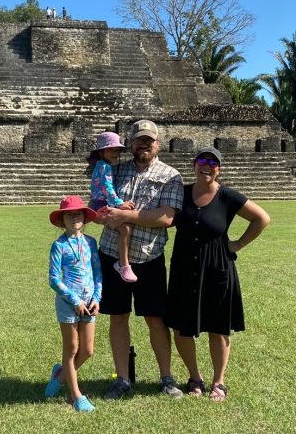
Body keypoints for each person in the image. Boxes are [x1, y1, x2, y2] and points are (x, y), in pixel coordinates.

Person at [164, 147, 271, 401]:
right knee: (180, 326)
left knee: (218, 327)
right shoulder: (180, 193)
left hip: (217, 268)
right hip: (184, 267)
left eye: (213, 163)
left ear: (219, 169)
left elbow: (262, 218)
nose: (207, 166)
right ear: (194, 165)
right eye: (202, 160)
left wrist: (237, 244)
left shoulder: (227, 196)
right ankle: (195, 378)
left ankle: (218, 382)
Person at [98, 119, 186, 400]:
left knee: (156, 319)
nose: (144, 144)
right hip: (112, 254)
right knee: (118, 317)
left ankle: (166, 377)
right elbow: (99, 203)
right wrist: (104, 215)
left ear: (158, 143)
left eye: (149, 140)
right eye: (139, 140)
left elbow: (166, 218)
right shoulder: (114, 170)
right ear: (131, 143)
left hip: (148, 258)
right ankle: (122, 379)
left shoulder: (170, 175)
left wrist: (124, 215)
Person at [44, 195, 102, 413]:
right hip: (68, 303)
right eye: (69, 215)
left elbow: (97, 272)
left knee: (87, 350)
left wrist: (97, 298)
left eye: (78, 214)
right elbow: (54, 279)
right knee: (72, 349)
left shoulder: (90, 243)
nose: (74, 218)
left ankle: (60, 376)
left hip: (89, 302)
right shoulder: (59, 245)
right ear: (62, 220)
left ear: (84, 218)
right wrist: (75, 300)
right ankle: (76, 396)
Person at [86, 131, 137, 283]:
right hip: (100, 206)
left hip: (98, 204)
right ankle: (123, 265)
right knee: (125, 229)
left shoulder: (101, 165)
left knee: (125, 227)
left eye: (117, 150)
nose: (115, 153)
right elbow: (107, 188)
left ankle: (123, 263)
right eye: (111, 150)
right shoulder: (104, 167)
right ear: (101, 152)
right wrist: (120, 204)